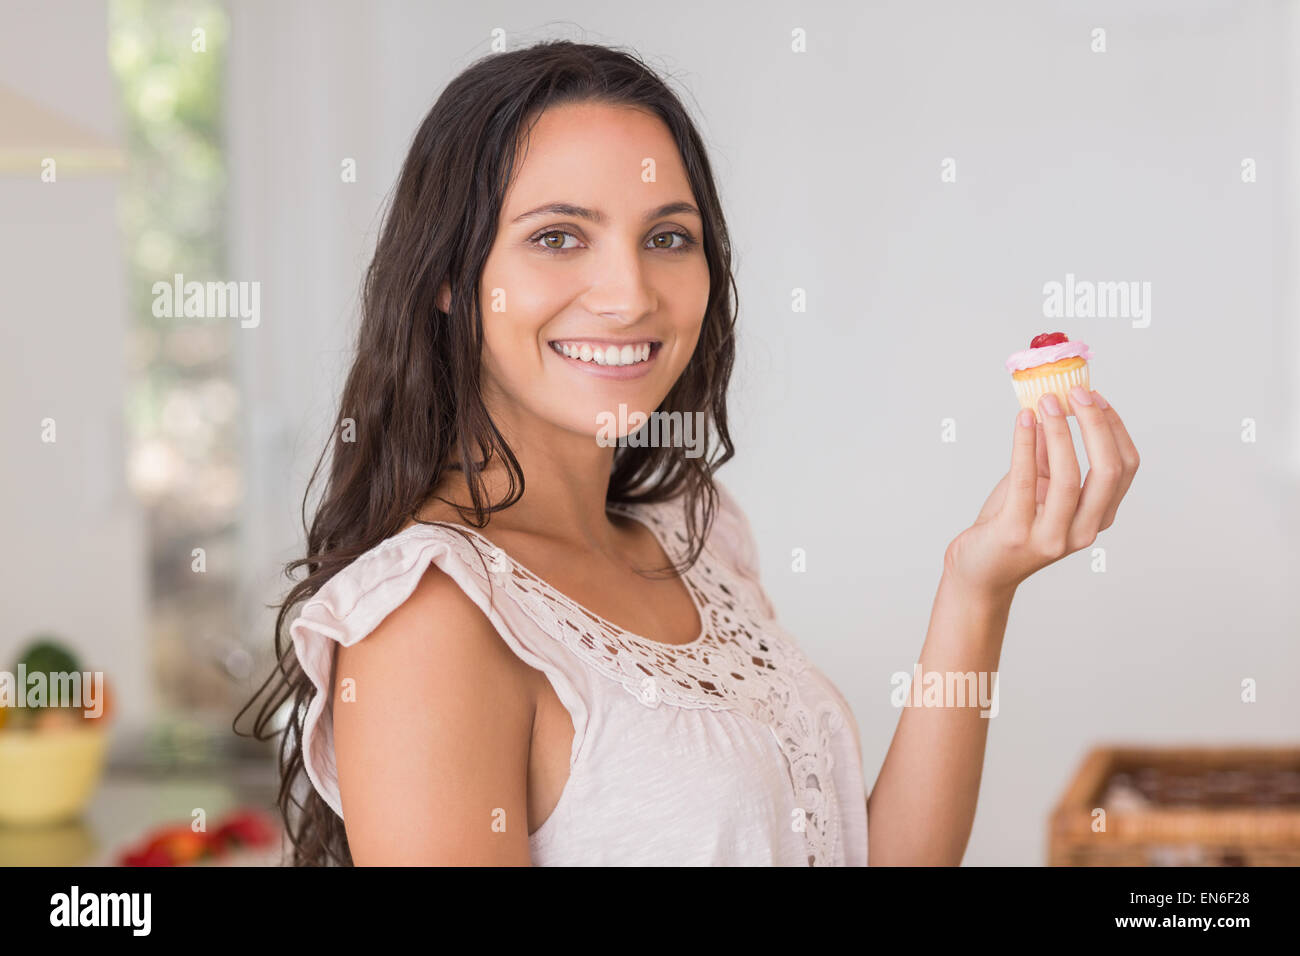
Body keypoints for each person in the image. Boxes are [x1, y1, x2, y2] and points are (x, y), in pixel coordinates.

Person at [240, 40, 1139, 866]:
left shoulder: (697, 536)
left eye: (667, 237)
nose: (629, 294)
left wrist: (976, 588)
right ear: (446, 276)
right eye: (558, 237)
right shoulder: (429, 617)